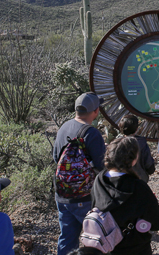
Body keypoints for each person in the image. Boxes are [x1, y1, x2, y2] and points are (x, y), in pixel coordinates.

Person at [91, 136, 159, 254]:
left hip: (105, 245)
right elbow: (158, 223)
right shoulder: (138, 187)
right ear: (133, 160)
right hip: (135, 247)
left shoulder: (99, 181)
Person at [53, 92, 107, 255]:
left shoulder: (64, 127)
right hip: (84, 196)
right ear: (96, 111)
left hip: (62, 193)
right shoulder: (92, 134)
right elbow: (101, 167)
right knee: (96, 237)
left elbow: (56, 157)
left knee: (67, 237)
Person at [118, 114, 155, 182]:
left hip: (122, 180)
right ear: (136, 129)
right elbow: (149, 165)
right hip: (140, 179)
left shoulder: (117, 144)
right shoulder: (142, 144)